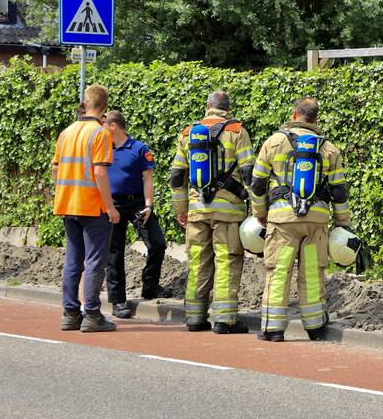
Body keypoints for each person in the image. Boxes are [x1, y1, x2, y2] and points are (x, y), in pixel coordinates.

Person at [251, 97, 351, 342]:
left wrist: (259, 213)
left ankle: (273, 329)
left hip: (282, 221)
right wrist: (342, 222)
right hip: (316, 221)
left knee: (279, 271)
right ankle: (315, 327)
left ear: (294, 114)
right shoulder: (329, 148)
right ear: (316, 119)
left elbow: (258, 183)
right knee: (312, 273)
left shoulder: (274, 142)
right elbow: (339, 190)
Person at [170, 90, 255, 333]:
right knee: (227, 260)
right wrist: (257, 207)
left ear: (208, 106)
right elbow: (249, 173)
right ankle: (225, 320)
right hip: (228, 213)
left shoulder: (187, 133)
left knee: (198, 262)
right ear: (228, 109)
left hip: (197, 210)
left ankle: (194, 317)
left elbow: (177, 176)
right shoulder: (237, 131)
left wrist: (181, 209)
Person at [52, 84, 120, 332]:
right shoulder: (100, 133)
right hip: (92, 207)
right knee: (94, 262)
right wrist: (110, 207)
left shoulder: (66, 132)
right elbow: (100, 172)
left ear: (85, 103)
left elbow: (56, 169)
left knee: (73, 260)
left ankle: (70, 314)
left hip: (68, 204)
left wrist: (63, 192)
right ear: (105, 106)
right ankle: (92, 314)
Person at [103, 110, 166, 318]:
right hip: (113, 205)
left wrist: (149, 205)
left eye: (104, 125)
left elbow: (148, 179)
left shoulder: (139, 149)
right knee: (114, 252)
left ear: (113, 126)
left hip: (138, 203)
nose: (101, 129)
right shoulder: (102, 149)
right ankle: (118, 301)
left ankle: (150, 287)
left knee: (157, 243)